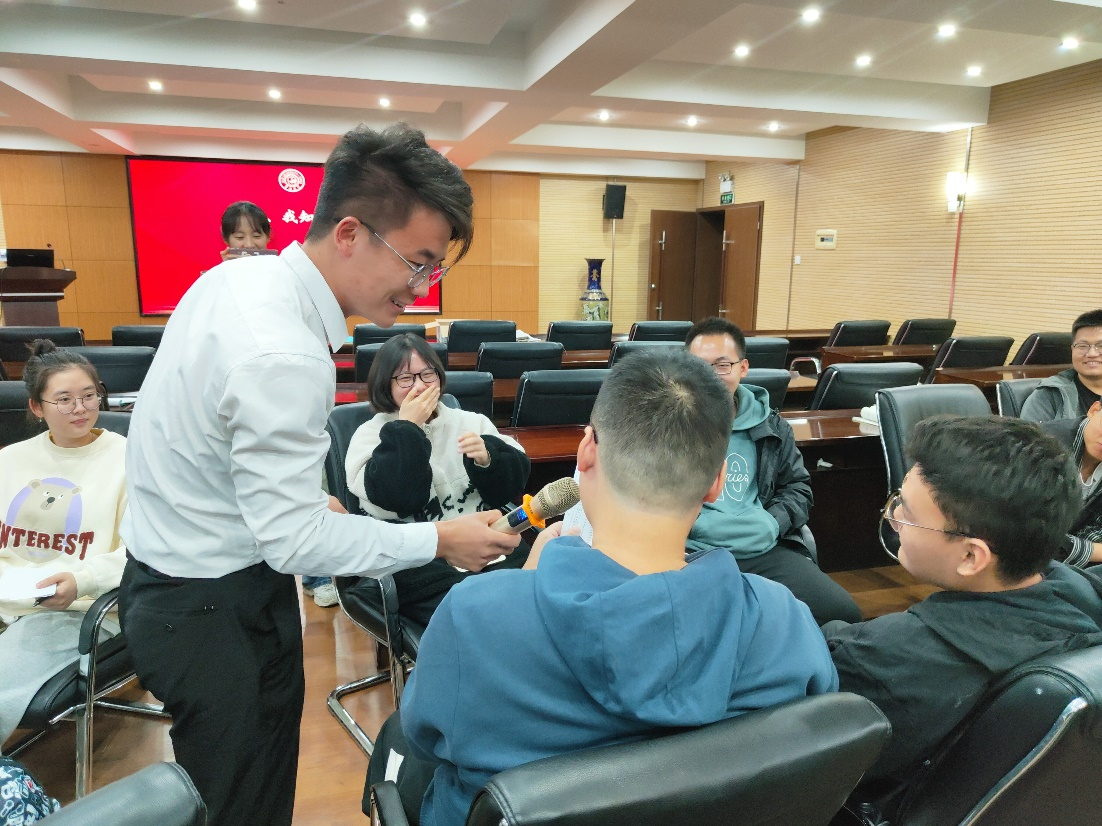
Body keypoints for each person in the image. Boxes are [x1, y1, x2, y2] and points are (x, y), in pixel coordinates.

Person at [117, 122, 520, 826]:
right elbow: (294, 543)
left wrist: (305, 503)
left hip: (172, 580)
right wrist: (440, 540)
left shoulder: (241, 277)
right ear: (350, 233)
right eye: (418, 262)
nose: (422, 287)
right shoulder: (285, 354)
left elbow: (225, 457)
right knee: (244, 807)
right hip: (214, 609)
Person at [369, 349, 838, 826]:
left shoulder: (473, 618)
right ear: (717, 481)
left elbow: (425, 736)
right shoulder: (787, 620)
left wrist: (523, 588)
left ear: (587, 451)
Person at [823, 415, 1102, 818]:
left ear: (971, 556)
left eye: (905, 511)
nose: (893, 517)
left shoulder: (884, 662)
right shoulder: (1086, 599)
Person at [685, 317, 862, 624]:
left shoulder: (771, 425)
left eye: (722, 365)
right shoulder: (669, 422)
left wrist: (772, 523)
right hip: (691, 550)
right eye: (699, 366)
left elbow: (798, 488)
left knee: (841, 613)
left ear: (743, 368)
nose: (711, 376)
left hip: (762, 548)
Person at [345, 334, 530, 626]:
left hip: (488, 549)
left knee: (532, 591)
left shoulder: (471, 422)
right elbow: (399, 498)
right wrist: (408, 427)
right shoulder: (369, 436)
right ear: (386, 384)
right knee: (485, 615)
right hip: (423, 566)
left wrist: (488, 459)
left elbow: (513, 484)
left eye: (427, 374)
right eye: (405, 378)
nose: (419, 386)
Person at [0, 342, 126, 750]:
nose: (80, 408)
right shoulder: (10, 459)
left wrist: (82, 580)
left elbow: (143, 552)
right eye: (65, 399)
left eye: (89, 395)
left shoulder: (128, 458)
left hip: (73, 608)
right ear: (37, 407)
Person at [1043, 402, 1102, 567]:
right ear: (1094, 410)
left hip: (1074, 564)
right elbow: (1029, 532)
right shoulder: (1044, 445)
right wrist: (1095, 551)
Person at [1021, 309, 1102, 422]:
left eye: (1101, 345)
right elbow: (1028, 433)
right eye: (1082, 346)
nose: (1092, 354)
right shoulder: (1049, 395)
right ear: (1072, 349)